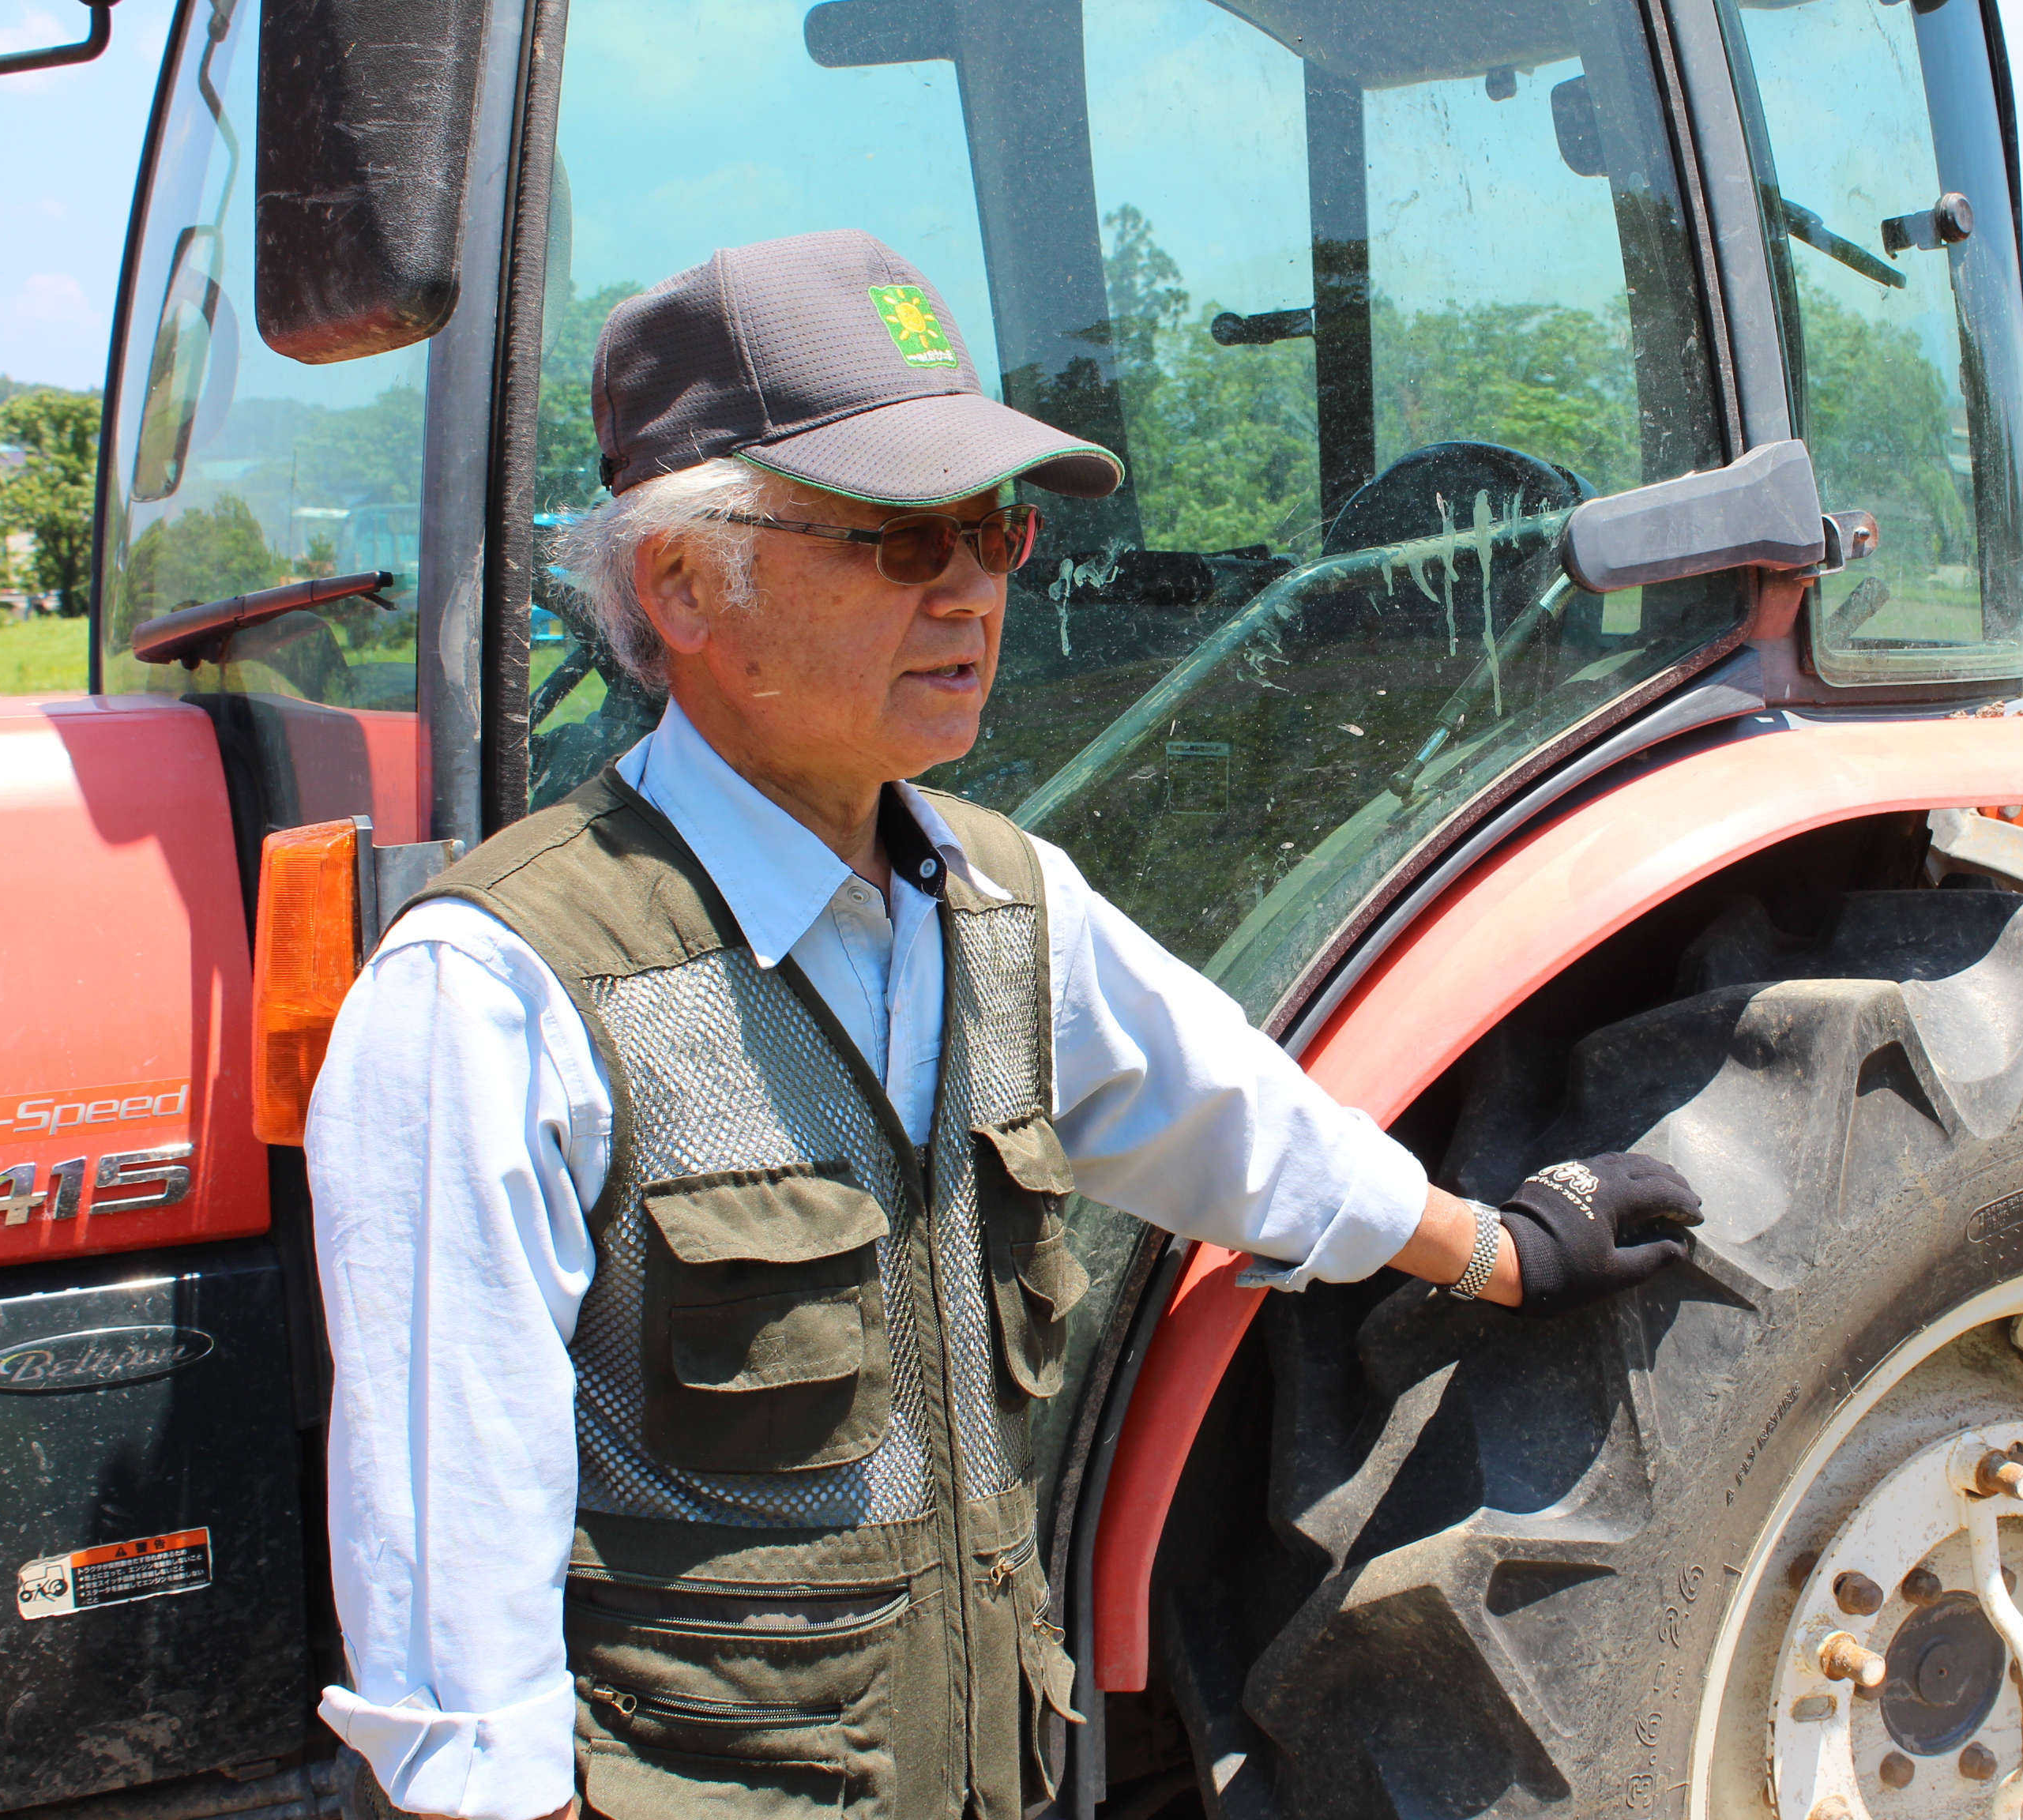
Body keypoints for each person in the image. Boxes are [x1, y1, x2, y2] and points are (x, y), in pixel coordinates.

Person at [305, 229, 1701, 1820]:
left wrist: (1498, 1248)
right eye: (902, 542)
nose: (973, 590)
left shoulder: (1004, 906)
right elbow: (451, 1584)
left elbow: (1233, 1126)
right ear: (686, 584)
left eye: (995, 531)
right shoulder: (498, 996)